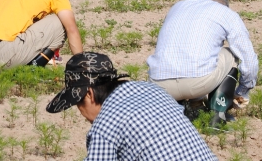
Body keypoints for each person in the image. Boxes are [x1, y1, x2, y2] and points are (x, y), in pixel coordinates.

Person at [46, 52, 217, 160]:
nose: (82, 114)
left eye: (78, 104)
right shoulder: (152, 90)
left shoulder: (105, 125)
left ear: (89, 94)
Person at [147, 0, 258, 127]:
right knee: (231, 53)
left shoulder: (179, 6)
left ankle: (193, 107)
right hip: (198, 83)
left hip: (158, 86)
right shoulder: (226, 13)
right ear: (225, 7)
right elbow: (249, 61)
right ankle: (216, 118)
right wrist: (241, 93)